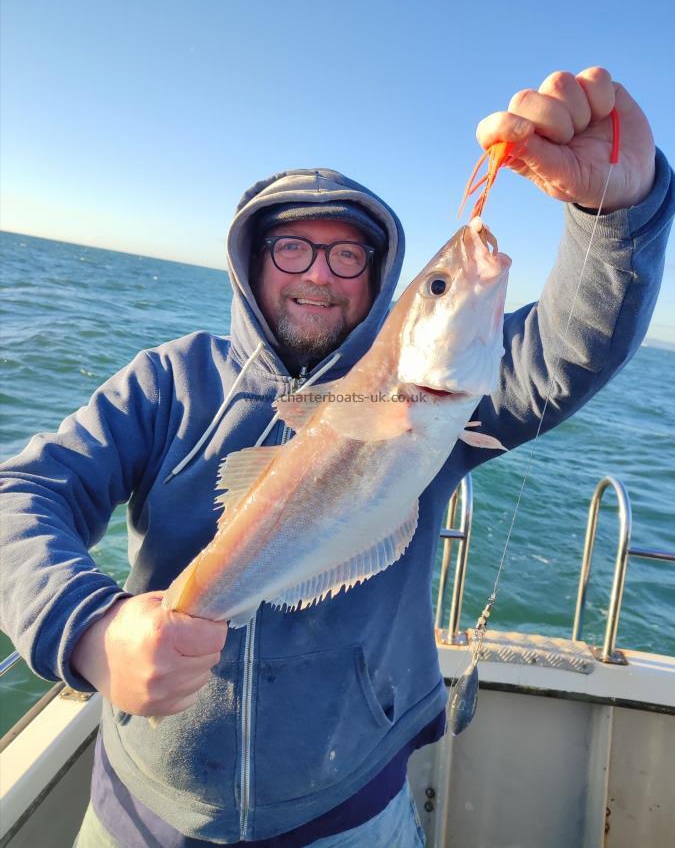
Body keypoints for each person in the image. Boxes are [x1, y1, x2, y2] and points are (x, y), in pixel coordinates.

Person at [1, 67, 672, 847]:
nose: (319, 272)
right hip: (145, 813)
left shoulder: (452, 403)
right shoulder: (168, 381)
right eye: (292, 247)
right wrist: (89, 628)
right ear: (252, 265)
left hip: (351, 813)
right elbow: (23, 489)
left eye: (348, 257)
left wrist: (615, 216)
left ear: (378, 280)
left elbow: (571, 345)